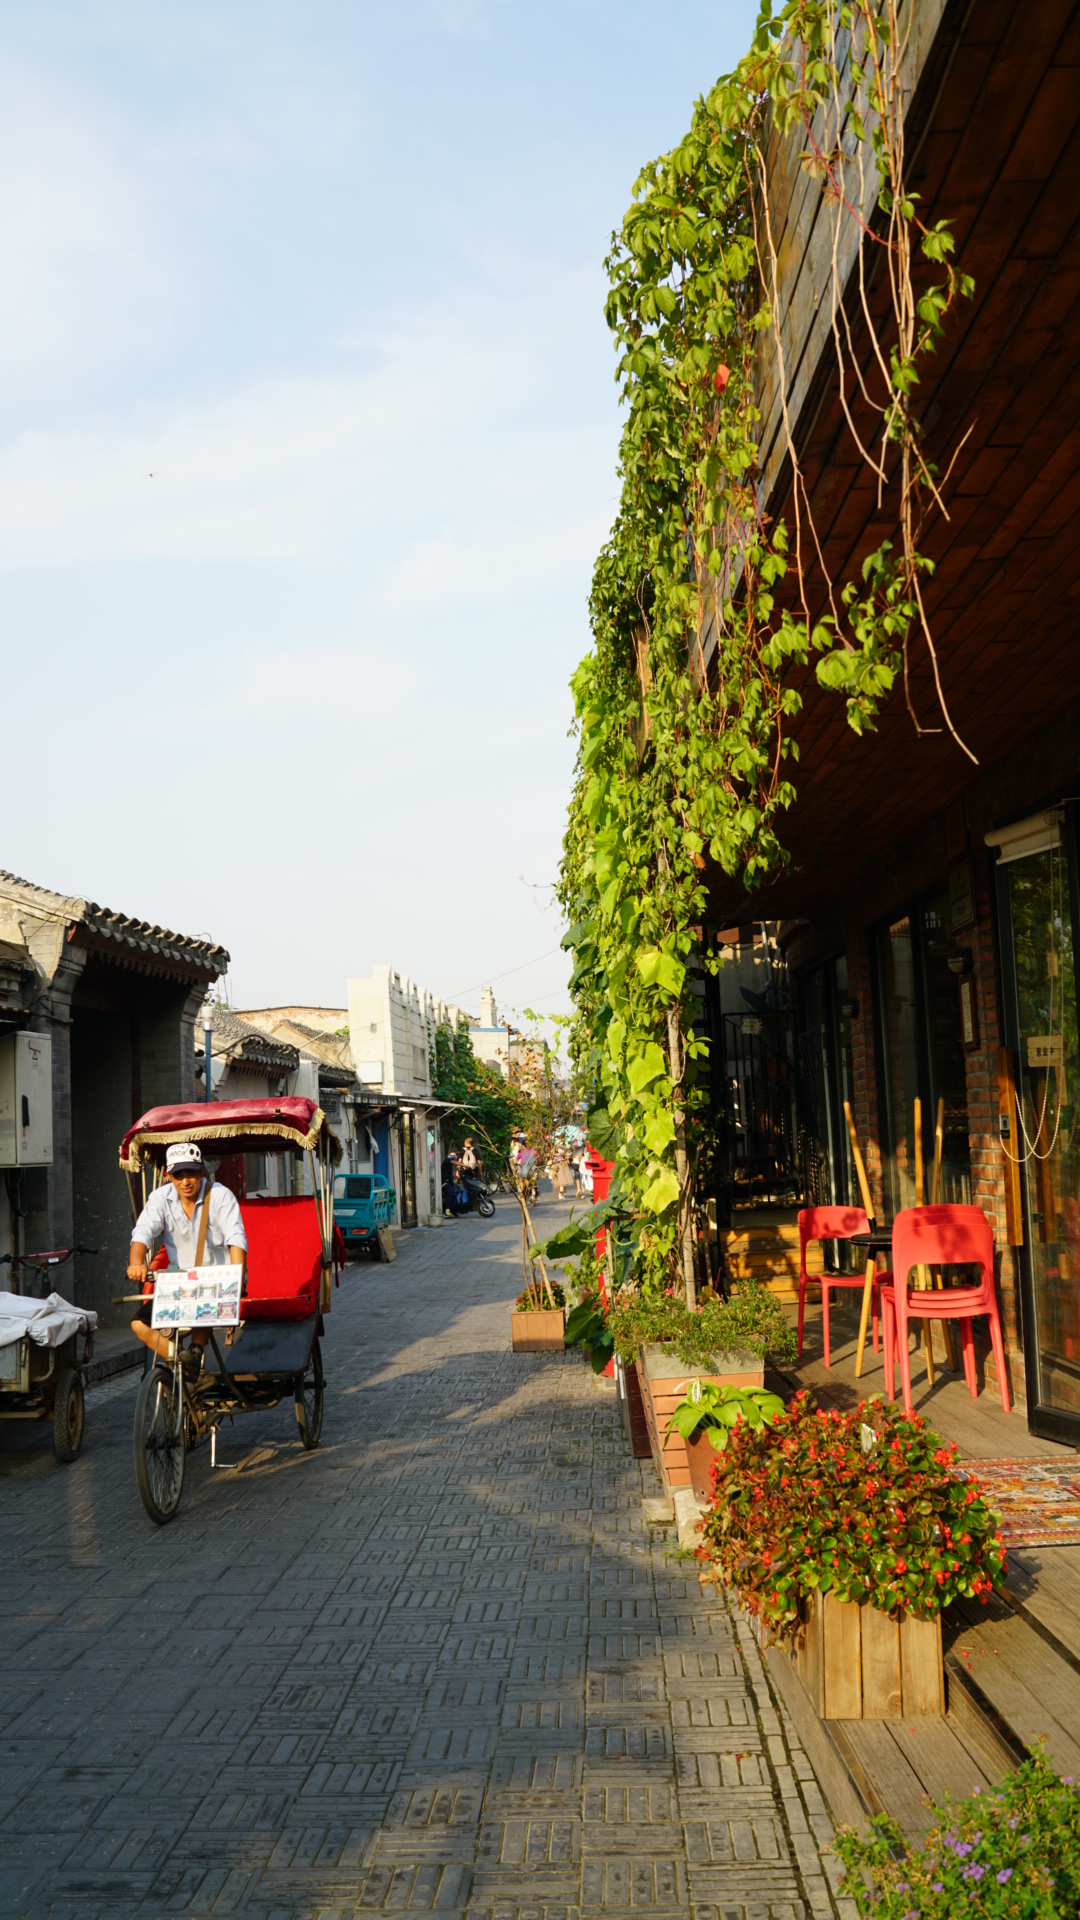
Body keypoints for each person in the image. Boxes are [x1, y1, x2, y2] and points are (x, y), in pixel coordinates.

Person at [127, 1142, 248, 1363]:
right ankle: (182, 1363)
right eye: (178, 1175)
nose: (185, 1182)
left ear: (202, 1171)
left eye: (191, 1174)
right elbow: (143, 1232)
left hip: (218, 1281)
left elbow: (236, 1239)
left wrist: (237, 1279)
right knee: (139, 1324)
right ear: (168, 1176)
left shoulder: (221, 1196)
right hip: (181, 1283)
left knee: (203, 1299)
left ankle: (195, 1352)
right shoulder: (160, 1198)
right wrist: (136, 1263)